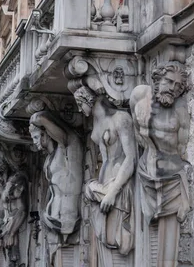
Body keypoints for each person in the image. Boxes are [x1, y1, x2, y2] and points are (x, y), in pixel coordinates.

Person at [130, 62, 190, 267]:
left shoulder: (181, 108)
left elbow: (183, 149)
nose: (173, 88)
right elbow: (136, 129)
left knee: (169, 237)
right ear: (157, 80)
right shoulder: (140, 97)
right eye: (169, 81)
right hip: (147, 173)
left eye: (178, 85)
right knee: (147, 235)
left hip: (171, 178)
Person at [74, 86, 136, 261]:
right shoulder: (96, 126)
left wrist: (113, 191)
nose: (79, 109)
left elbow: (130, 158)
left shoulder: (121, 119)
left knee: (117, 242)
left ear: (89, 100)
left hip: (119, 183)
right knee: (104, 242)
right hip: (103, 184)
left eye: (80, 103)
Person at [29, 110, 83, 240]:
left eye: (36, 137)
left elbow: (41, 117)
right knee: (52, 257)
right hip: (51, 215)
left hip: (66, 216)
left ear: (46, 134)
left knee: (62, 256)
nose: (35, 142)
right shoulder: (49, 158)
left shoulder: (68, 146)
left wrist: (36, 116)